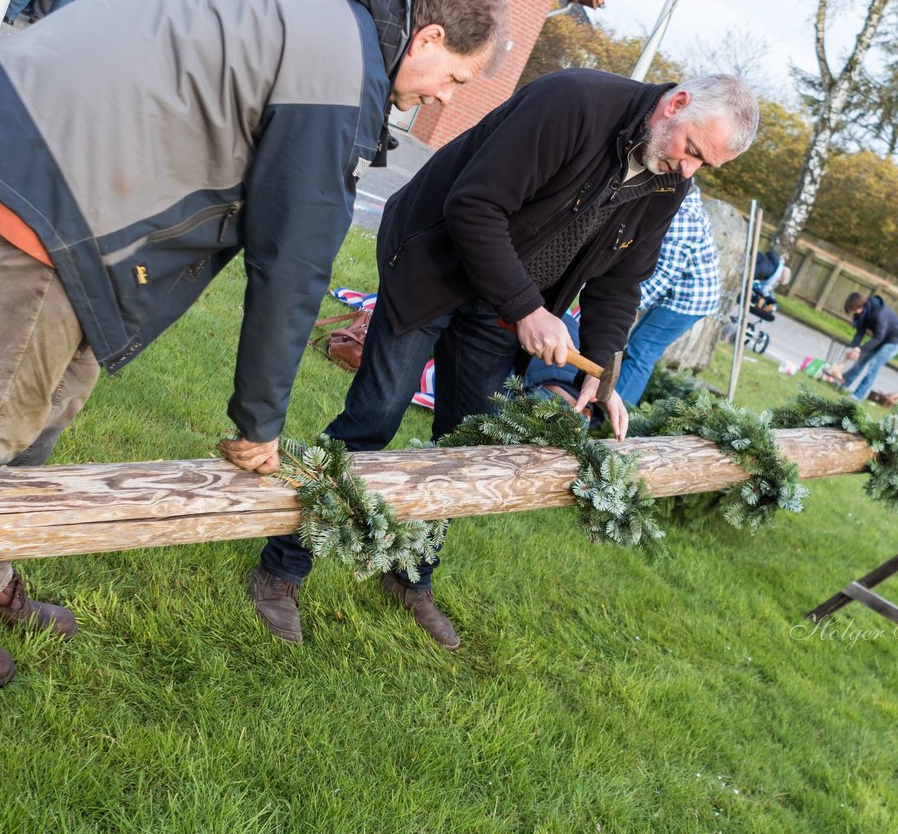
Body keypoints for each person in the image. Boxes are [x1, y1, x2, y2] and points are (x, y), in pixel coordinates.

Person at [0, 0, 506, 691]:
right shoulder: (340, 64)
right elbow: (292, 258)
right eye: (456, 78)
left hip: (82, 163)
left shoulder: (344, 33)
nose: (444, 97)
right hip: (61, 173)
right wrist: (260, 423)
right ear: (429, 37)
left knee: (56, 398)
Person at [252, 70, 759, 649]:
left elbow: (621, 281)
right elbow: (475, 205)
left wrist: (604, 372)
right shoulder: (572, 104)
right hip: (430, 266)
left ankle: (410, 575)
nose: (689, 170)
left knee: (464, 445)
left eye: (705, 165)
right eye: (691, 150)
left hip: (500, 309)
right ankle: (281, 571)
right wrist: (527, 309)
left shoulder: (670, 182)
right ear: (677, 104)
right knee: (374, 418)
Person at [613, 183, 721, 406]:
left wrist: (627, 304)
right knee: (636, 344)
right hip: (682, 293)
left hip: (687, 301)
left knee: (641, 351)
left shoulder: (684, 217)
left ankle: (610, 415)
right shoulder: (681, 206)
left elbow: (665, 273)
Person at [840, 292, 898, 400]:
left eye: (854, 311)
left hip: (896, 340)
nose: (854, 314)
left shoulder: (879, 312)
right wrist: (853, 347)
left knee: (874, 365)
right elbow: (860, 332)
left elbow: (878, 337)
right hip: (882, 337)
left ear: (861, 306)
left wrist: (860, 349)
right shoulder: (862, 314)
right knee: (862, 360)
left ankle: (857, 396)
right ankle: (843, 385)